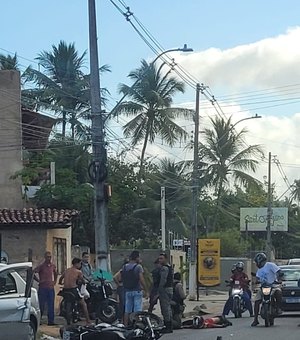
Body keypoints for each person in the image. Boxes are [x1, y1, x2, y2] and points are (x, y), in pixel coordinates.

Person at [251, 252, 283, 327]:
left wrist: (279, 278)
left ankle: (278, 308)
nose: (258, 263)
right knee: (257, 301)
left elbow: (279, 272)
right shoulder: (259, 270)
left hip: (273, 285)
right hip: (263, 287)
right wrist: (256, 281)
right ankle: (255, 319)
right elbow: (258, 278)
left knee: (278, 293)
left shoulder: (270, 265)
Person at [58, 257, 91, 325]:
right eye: (79, 264)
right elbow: (82, 280)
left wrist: (61, 283)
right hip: (73, 290)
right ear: (77, 264)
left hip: (65, 290)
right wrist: (84, 282)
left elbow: (61, 278)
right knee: (83, 304)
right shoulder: (79, 272)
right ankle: (88, 321)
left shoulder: (67, 270)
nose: (80, 265)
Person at [122, 250, 147, 326]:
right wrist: (146, 289)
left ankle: (125, 326)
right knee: (137, 310)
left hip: (127, 291)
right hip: (137, 290)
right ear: (136, 257)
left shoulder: (124, 267)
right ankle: (136, 326)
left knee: (127, 310)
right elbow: (141, 279)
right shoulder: (138, 267)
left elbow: (120, 277)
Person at [34, 251, 58, 326]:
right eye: (47, 257)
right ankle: (39, 320)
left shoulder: (52, 266)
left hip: (50, 288)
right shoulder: (41, 266)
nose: (49, 258)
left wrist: (55, 281)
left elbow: (55, 273)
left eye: (50, 257)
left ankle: (51, 321)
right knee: (41, 305)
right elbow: (33, 272)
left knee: (51, 305)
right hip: (43, 288)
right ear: (45, 257)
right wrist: (39, 281)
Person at [158, 253, 174, 333]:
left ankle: (168, 326)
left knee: (165, 308)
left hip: (165, 289)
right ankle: (169, 325)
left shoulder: (164, 268)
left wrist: (159, 289)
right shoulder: (170, 267)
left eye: (161, 258)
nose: (160, 260)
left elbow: (163, 280)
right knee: (168, 308)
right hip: (170, 289)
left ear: (165, 259)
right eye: (159, 258)